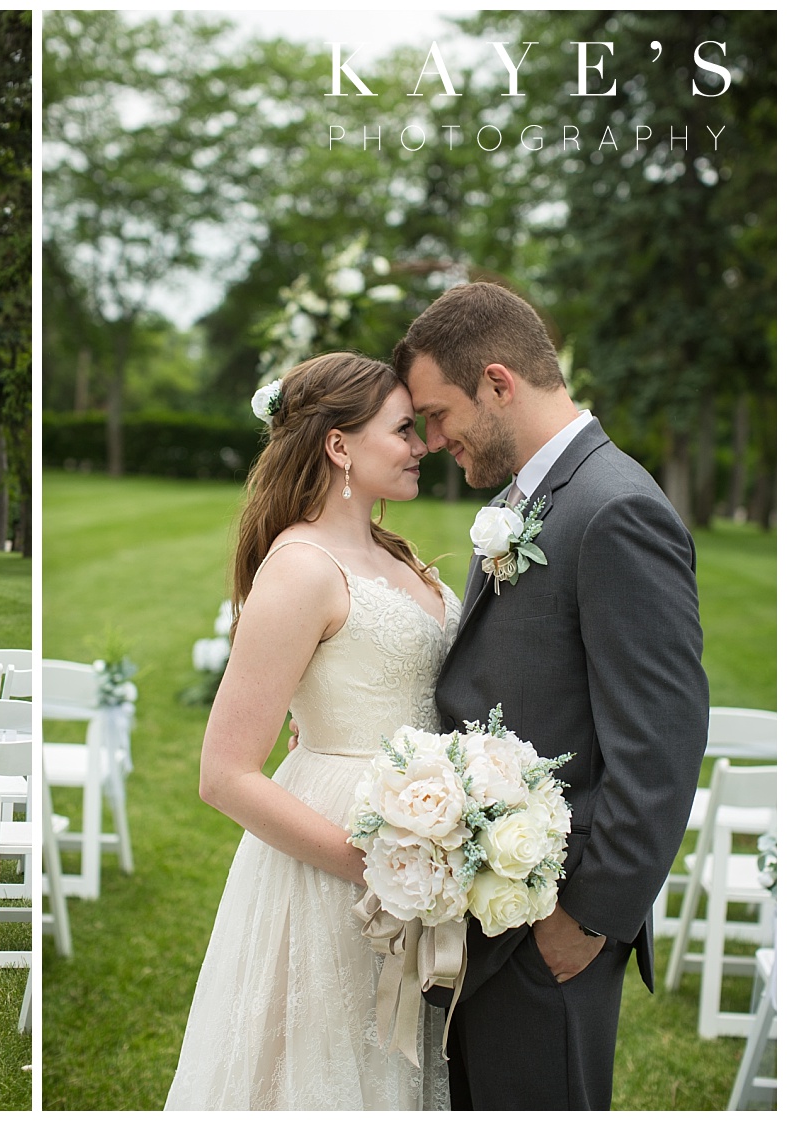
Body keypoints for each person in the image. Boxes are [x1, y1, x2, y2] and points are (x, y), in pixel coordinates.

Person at [393, 281, 708, 1110]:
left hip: (551, 926)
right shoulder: (519, 497)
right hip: (492, 913)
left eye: (436, 413)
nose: (430, 439)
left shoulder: (617, 510)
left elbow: (664, 740)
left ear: (498, 383)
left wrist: (588, 919)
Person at [165, 352, 456, 1110]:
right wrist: (370, 863)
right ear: (339, 444)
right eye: (402, 429)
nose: (421, 443)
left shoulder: (397, 554)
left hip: (428, 835)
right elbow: (224, 772)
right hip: (340, 853)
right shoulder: (300, 567)